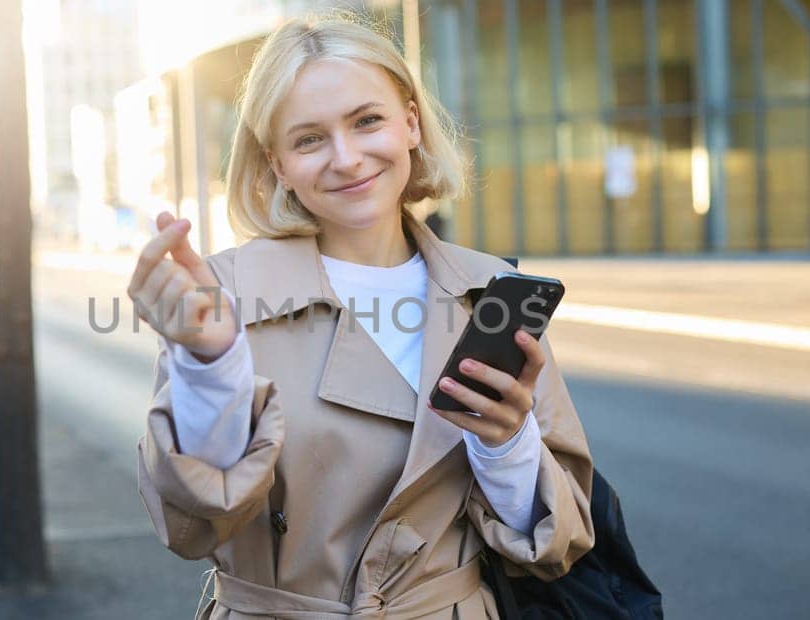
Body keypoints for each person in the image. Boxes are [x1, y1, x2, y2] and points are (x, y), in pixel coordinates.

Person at [129, 12, 595, 619]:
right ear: (277, 164)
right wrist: (210, 363)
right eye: (309, 139)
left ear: (410, 121)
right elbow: (190, 527)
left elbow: (558, 541)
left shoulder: (491, 290)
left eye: (366, 120)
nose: (347, 159)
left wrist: (505, 445)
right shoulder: (223, 293)